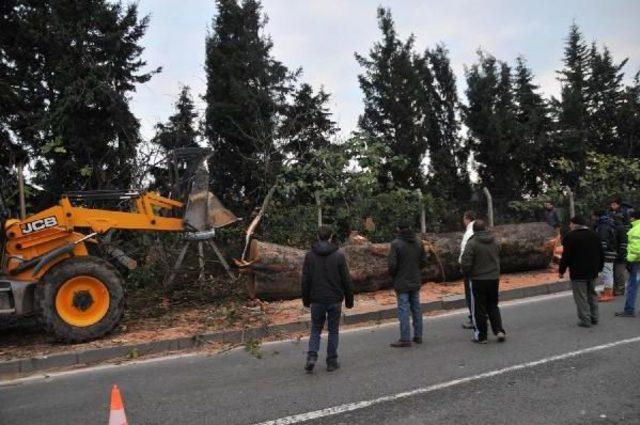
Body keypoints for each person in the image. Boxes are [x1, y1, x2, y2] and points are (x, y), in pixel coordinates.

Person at [301, 225, 354, 372]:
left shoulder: (310, 256)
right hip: (334, 299)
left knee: (316, 329)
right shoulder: (339, 255)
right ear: (331, 237)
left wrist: (306, 299)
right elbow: (346, 280)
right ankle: (331, 361)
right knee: (333, 330)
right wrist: (349, 300)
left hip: (317, 299)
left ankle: (312, 356)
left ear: (318, 236)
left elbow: (305, 280)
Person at [460, 219, 506, 344]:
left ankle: (481, 335)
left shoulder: (472, 243)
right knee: (493, 305)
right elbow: (499, 253)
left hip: (478, 279)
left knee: (478, 308)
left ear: (474, 230)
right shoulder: (495, 241)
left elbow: (466, 263)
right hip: (493, 278)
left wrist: (466, 273)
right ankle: (499, 330)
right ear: (485, 228)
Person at [388, 219, 428, 347]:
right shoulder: (418, 242)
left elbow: (392, 265)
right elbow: (424, 261)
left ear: (398, 229)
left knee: (404, 309)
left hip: (401, 281)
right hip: (415, 279)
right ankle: (418, 335)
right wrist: (416, 269)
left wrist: (394, 275)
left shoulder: (396, 244)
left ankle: (405, 338)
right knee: (416, 307)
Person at [559, 216, 604, 328]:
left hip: (578, 272)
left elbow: (566, 257)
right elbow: (601, 253)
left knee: (581, 297)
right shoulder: (594, 235)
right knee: (592, 294)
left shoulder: (570, 237)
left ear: (575, 224)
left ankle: (585, 320)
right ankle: (595, 317)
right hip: (592, 271)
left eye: (570, 224)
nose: (569, 226)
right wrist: (600, 268)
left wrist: (561, 270)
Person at [616, 210, 640, 317]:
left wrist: (629, 260)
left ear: (633, 218)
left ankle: (629, 310)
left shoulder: (635, 230)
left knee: (632, 286)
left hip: (636, 262)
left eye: (630, 217)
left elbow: (636, 249)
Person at [592, 210, 619, 302]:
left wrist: (600, 253)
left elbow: (603, 240)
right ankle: (607, 291)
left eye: (594, 216)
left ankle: (608, 294)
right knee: (607, 272)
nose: (593, 218)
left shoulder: (603, 226)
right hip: (610, 251)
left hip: (606, 252)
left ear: (597, 216)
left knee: (607, 273)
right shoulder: (609, 223)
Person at [459, 211, 476, 330]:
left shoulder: (469, 232)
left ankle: (473, 318)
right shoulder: (478, 229)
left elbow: (465, 251)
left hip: (470, 269)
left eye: (464, 219)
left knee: (470, 294)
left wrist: (462, 265)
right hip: (479, 267)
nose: (463, 221)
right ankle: (481, 316)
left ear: (467, 219)